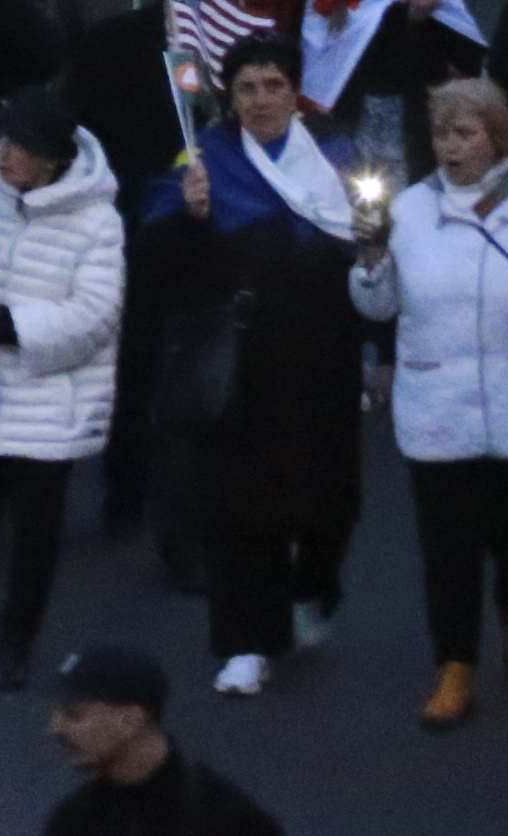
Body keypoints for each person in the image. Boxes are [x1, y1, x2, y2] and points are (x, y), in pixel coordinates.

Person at [345, 73, 508, 728]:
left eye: (464, 132)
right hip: (438, 409)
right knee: (448, 551)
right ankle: (454, 663)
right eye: (440, 133)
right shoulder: (405, 211)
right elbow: (374, 306)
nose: (449, 146)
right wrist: (370, 260)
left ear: (496, 135)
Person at [148, 34, 366, 697]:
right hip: (239, 358)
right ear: (228, 96)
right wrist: (186, 216)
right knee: (239, 505)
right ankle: (244, 640)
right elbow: (155, 257)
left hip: (323, 354)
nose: (261, 100)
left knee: (325, 496)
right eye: (246, 88)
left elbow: (370, 247)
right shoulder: (202, 159)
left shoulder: (334, 155)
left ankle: (312, 587)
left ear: (293, 92)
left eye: (273, 86)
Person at [0, 90, 123, 690]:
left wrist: (9, 326)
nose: (5, 154)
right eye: (3, 140)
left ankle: (16, 641)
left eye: (21, 147)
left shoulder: (99, 221)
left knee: (33, 537)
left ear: (52, 160)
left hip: (52, 403)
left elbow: (97, 314)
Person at [41, 644, 288, 835]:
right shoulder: (72, 821)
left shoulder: (229, 821)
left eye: (74, 714)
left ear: (130, 720)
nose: (56, 727)